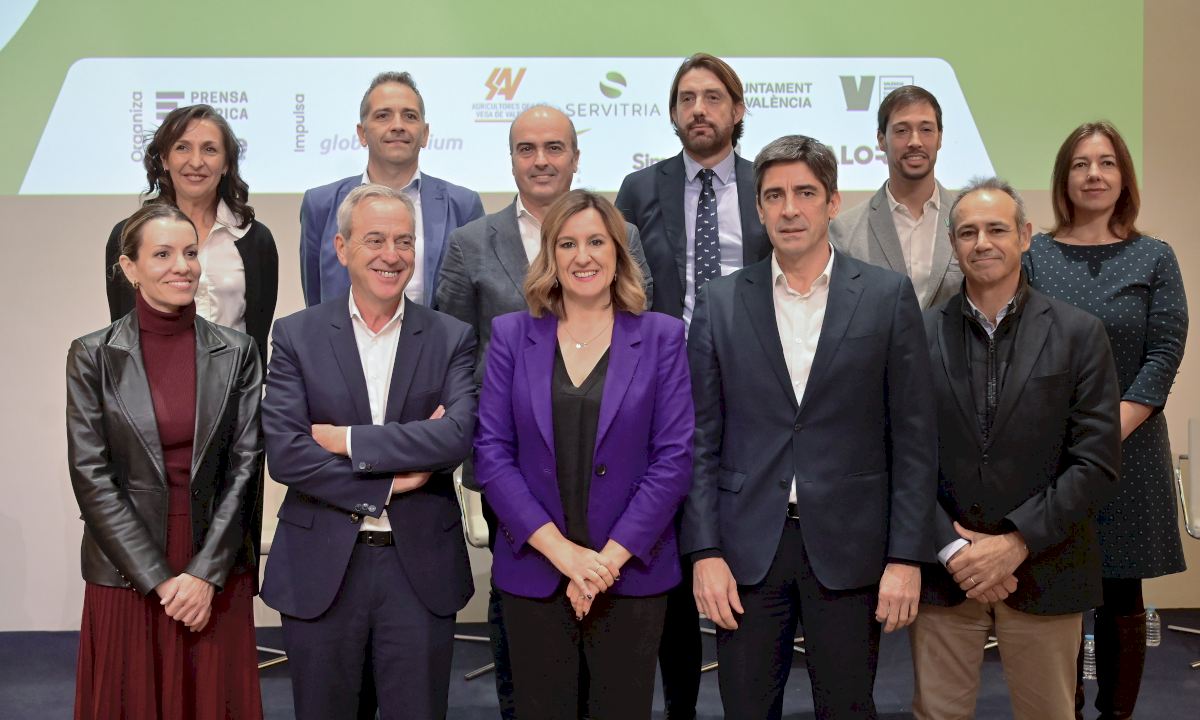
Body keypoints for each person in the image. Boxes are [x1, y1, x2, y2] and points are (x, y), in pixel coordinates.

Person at [682, 135, 937, 720]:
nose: (789, 208)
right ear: (758, 208)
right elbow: (700, 440)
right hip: (746, 550)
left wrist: (906, 557)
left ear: (833, 202)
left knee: (848, 707)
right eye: (774, 195)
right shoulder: (721, 302)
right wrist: (704, 551)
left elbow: (914, 440)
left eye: (805, 193)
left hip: (851, 547)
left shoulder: (886, 297)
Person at [435, 104, 653, 718]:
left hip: (613, 473)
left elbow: (638, 343)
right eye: (526, 148)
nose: (540, 160)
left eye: (554, 147)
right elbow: (454, 354)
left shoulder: (624, 234)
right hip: (514, 470)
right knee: (525, 640)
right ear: (510, 159)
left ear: (575, 157)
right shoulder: (470, 243)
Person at [474, 190, 694, 719]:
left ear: (618, 251)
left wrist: (604, 563)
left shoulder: (662, 336)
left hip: (630, 574)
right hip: (535, 571)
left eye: (596, 241)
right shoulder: (512, 334)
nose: (583, 256)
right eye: (567, 244)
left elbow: (673, 459)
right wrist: (565, 556)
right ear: (550, 255)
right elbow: (492, 453)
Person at [260, 184, 477, 720]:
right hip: (322, 567)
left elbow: (456, 437)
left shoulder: (451, 337)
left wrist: (347, 441)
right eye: (375, 239)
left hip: (418, 568)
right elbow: (287, 453)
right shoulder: (296, 335)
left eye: (404, 241)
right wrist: (389, 480)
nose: (391, 255)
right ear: (341, 248)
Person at [911, 177, 1122, 720]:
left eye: (997, 229)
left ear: (1025, 236)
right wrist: (955, 550)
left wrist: (1016, 541)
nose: (982, 242)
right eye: (967, 232)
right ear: (953, 245)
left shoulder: (1080, 334)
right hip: (946, 571)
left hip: (1047, 565)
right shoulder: (917, 334)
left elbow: (1096, 461)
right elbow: (902, 456)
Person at [614, 53, 770, 717]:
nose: (698, 109)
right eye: (686, 98)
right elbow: (623, 287)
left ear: (737, 109)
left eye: (712, 97)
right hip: (661, 387)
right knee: (671, 547)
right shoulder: (639, 188)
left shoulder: (769, 184)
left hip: (752, 386)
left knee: (744, 534)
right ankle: (680, 701)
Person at [70, 203, 264, 719]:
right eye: (162, 254)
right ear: (129, 267)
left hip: (214, 559)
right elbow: (91, 478)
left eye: (190, 253)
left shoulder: (238, 351)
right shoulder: (92, 355)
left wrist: (203, 575)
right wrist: (159, 578)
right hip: (127, 568)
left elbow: (246, 469)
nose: (182, 266)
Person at [1024, 121, 1188, 720]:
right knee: (1059, 593)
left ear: (1124, 177)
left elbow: (1164, 352)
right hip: (1052, 453)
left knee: (1123, 592)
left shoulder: (1155, 257)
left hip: (1130, 450)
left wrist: (1107, 429)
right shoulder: (1034, 256)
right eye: (1081, 164)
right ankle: (1062, 710)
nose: (1094, 174)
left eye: (1107, 163)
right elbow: (1021, 351)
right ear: (1064, 178)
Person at [105, 103, 279, 371]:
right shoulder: (127, 236)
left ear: (226, 164)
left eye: (210, 149)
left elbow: (257, 338)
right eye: (182, 147)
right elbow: (121, 333)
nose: (196, 162)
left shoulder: (255, 239)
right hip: (151, 385)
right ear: (164, 159)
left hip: (233, 385)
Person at [301, 71, 484, 307]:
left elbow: (473, 299)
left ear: (425, 134)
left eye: (409, 116)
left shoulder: (463, 206)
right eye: (383, 116)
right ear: (362, 133)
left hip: (436, 332)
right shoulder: (320, 205)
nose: (398, 126)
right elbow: (315, 304)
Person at [830, 85, 961, 310]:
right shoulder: (844, 232)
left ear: (940, 138)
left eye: (926, 129)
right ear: (881, 140)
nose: (915, 141)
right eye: (901, 130)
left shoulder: (968, 222)